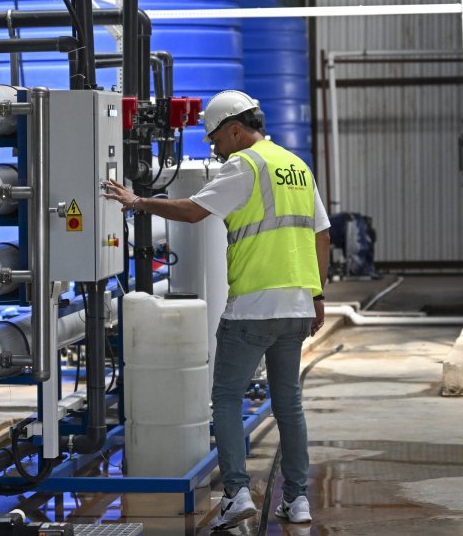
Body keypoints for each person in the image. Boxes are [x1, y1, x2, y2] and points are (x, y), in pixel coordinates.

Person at [103, 90, 329, 529]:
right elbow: (322, 234)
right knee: (289, 405)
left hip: (253, 307)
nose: (215, 149)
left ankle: (237, 493)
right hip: (299, 305)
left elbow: (191, 212)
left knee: (225, 398)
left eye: (216, 140)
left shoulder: (243, 166)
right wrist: (318, 295)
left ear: (234, 130)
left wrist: (137, 201)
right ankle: (298, 500)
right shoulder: (296, 166)